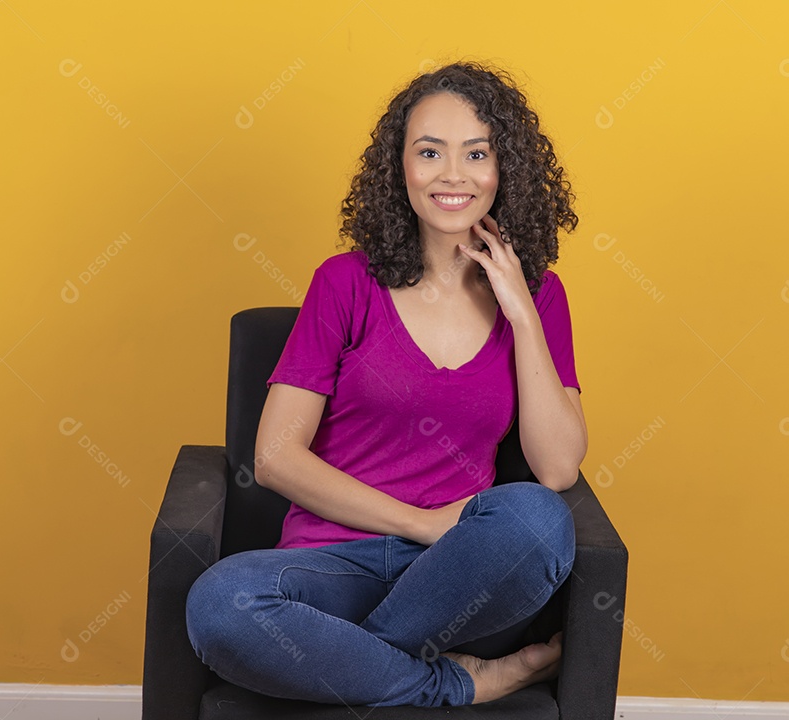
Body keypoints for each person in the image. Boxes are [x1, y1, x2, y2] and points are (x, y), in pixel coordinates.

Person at [186, 60, 586, 707]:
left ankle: (344, 667)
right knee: (221, 604)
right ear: (399, 169)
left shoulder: (539, 296)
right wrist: (424, 523)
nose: (452, 174)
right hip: (332, 563)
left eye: (475, 153)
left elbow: (559, 466)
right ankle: (453, 684)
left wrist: (521, 309)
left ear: (503, 167)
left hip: (456, 580)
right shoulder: (344, 283)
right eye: (430, 152)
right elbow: (274, 456)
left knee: (539, 520)